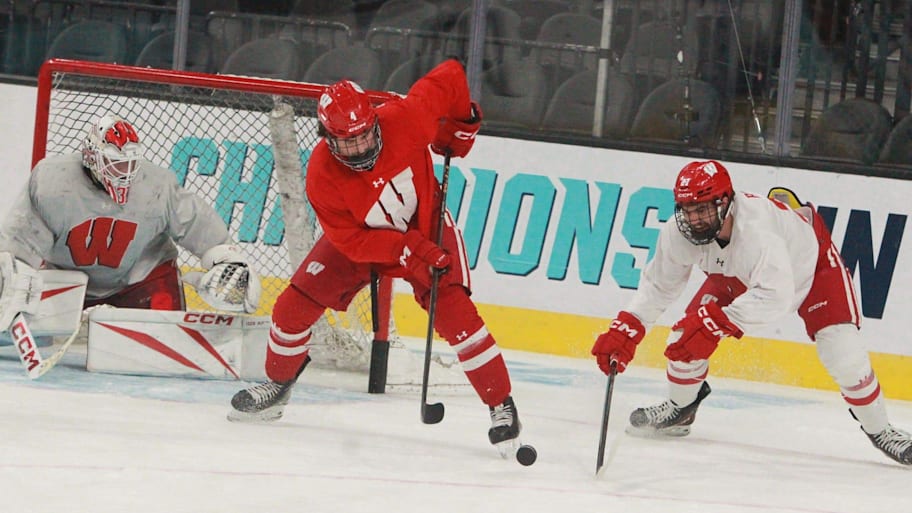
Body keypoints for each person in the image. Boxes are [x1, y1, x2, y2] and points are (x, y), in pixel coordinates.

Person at [228, 59, 524, 451]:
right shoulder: (321, 174)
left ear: (373, 122)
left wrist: (461, 122)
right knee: (291, 309)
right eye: (346, 142)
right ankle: (278, 385)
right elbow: (351, 243)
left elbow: (452, 74)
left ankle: (501, 404)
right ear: (327, 137)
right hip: (367, 241)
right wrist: (407, 251)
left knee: (456, 313)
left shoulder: (406, 117)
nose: (358, 148)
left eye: (364, 136)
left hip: (426, 225)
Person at [590, 160, 912, 466]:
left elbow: (777, 296)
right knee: (685, 338)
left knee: (843, 355)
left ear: (726, 202)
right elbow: (659, 287)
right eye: (688, 211)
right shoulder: (678, 232)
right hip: (741, 276)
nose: (695, 220)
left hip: (812, 269)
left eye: (703, 209)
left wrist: (716, 323)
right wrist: (627, 327)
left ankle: (881, 430)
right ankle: (681, 408)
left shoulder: (756, 231)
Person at [0, 113, 260, 332]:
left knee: (169, 343)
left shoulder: (157, 184)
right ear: (91, 156)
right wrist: (13, 279)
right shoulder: (52, 180)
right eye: (115, 163)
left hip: (141, 278)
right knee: (22, 330)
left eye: (129, 164)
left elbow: (195, 222)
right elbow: (21, 244)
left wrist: (227, 261)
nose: (124, 172)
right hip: (66, 279)